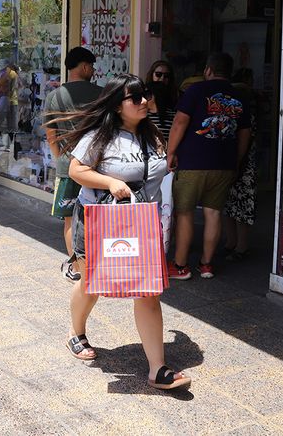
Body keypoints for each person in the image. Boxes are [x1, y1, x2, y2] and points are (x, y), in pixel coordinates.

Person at [51, 73, 190, 391]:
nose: (144, 101)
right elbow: (76, 169)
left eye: (145, 95)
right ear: (117, 105)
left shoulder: (152, 133)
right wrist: (111, 182)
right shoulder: (100, 135)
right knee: (92, 283)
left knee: (148, 291)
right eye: (135, 97)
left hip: (142, 224)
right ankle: (76, 332)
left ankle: (158, 369)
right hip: (101, 222)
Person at [166, 52, 252, 280]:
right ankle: (206, 265)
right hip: (224, 163)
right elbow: (245, 133)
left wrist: (170, 152)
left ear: (208, 70)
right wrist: (236, 160)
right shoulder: (240, 96)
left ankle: (180, 266)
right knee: (213, 213)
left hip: (192, 161)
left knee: (185, 213)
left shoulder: (196, 90)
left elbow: (180, 122)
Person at [44, 47, 102, 283]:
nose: (93, 71)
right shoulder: (101, 94)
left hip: (68, 166)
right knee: (97, 216)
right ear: (85, 66)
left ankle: (77, 267)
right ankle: (97, 264)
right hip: (97, 167)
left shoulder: (54, 96)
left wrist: (60, 157)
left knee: (70, 218)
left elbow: (51, 134)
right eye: (92, 66)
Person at [224, 75, 258, 262]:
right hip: (239, 165)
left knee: (241, 208)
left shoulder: (246, 118)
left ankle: (240, 246)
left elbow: (245, 143)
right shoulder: (242, 115)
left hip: (243, 167)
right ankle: (232, 242)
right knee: (231, 206)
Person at [145, 60, 177, 141]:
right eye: (158, 74)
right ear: (152, 75)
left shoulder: (175, 96)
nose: (162, 78)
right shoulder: (143, 93)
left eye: (166, 76)